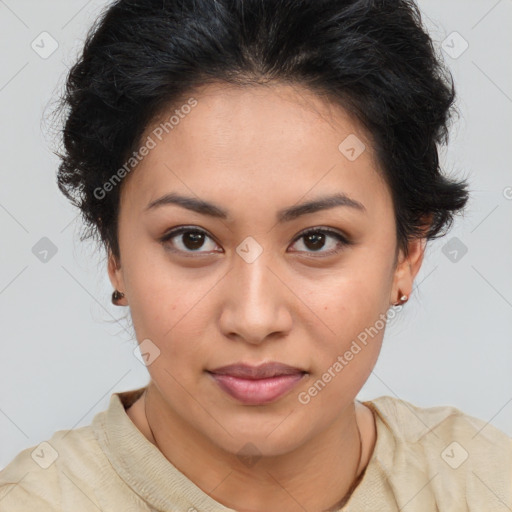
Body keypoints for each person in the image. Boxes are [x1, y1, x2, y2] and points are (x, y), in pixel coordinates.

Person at [1, 0, 510, 510]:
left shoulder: (485, 483)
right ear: (115, 253)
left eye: (317, 240)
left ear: (407, 253)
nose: (254, 317)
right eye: (192, 239)